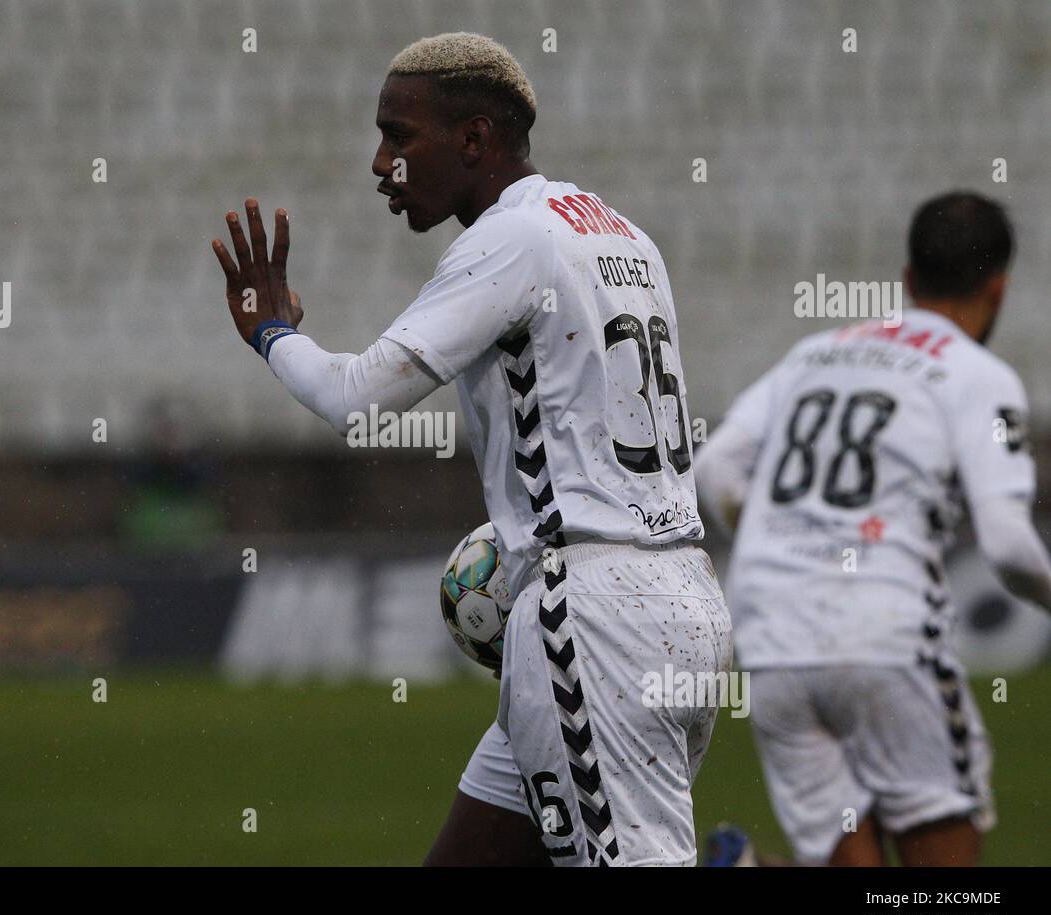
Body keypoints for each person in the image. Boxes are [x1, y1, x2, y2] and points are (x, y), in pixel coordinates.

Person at [212, 33, 731, 866]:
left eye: (399, 135)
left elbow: (357, 398)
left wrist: (271, 331)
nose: (380, 163)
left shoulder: (511, 239)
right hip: (684, 595)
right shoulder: (624, 234)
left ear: (475, 139)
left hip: (593, 612)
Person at [696, 192, 1050, 865]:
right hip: (881, 635)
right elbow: (1007, 545)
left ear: (910, 279)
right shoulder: (979, 376)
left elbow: (715, 467)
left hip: (772, 637)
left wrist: (792, 546)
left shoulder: (817, 352)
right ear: (999, 287)